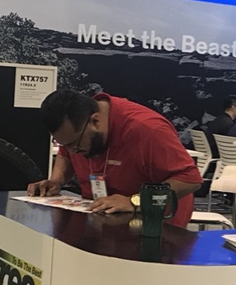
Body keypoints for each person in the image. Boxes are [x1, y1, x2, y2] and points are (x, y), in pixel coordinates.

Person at [28, 89, 203, 228]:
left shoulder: (147, 129)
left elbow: (190, 179)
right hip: (104, 219)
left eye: (75, 144)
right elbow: (66, 153)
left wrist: (135, 201)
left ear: (95, 121)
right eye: (63, 143)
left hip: (154, 227)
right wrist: (56, 181)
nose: (72, 151)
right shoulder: (78, 125)